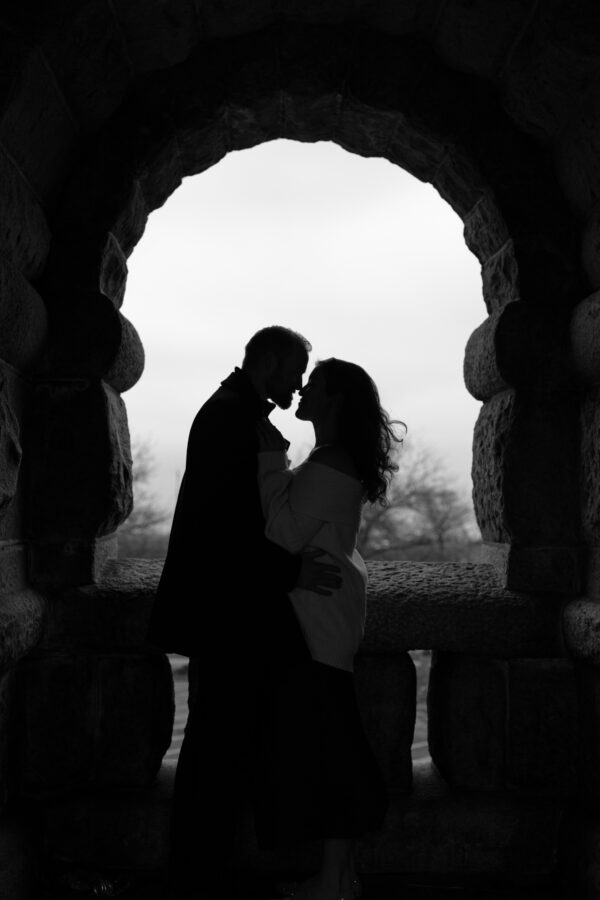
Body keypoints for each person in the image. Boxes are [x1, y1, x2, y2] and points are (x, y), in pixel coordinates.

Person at [147, 326, 341, 899]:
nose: (299, 383)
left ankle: (203, 873)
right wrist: (290, 573)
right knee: (215, 751)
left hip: (228, 609)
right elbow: (228, 525)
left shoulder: (231, 411)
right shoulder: (231, 417)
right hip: (230, 613)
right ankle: (199, 878)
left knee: (219, 748)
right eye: (295, 370)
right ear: (269, 360)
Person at [254, 357, 404, 900]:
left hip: (319, 617)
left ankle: (335, 882)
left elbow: (283, 534)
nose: (302, 389)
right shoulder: (330, 458)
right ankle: (337, 877)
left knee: (332, 748)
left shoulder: (333, 461)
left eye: (313, 383)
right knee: (330, 743)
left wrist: (270, 461)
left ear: (335, 398)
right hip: (324, 611)